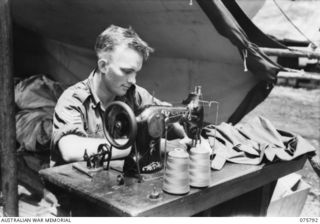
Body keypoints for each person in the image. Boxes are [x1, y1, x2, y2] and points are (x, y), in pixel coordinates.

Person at [51, 25, 187, 167]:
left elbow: (162, 113)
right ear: (103, 66)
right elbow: (70, 149)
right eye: (127, 71)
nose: (133, 80)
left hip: (111, 183)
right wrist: (145, 144)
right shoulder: (73, 99)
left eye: (136, 72)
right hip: (71, 185)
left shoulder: (134, 94)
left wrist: (180, 130)